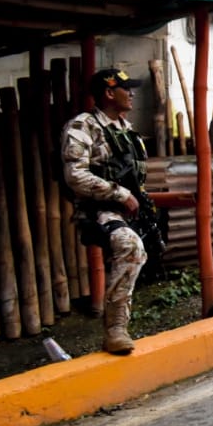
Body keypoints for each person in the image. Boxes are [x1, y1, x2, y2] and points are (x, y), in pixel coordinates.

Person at [61, 68, 153, 355]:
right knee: (131, 247)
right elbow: (75, 175)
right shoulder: (82, 126)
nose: (133, 93)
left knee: (146, 252)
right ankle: (115, 328)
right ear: (109, 93)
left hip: (129, 209)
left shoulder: (126, 130)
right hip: (99, 209)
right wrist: (120, 193)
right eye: (126, 88)